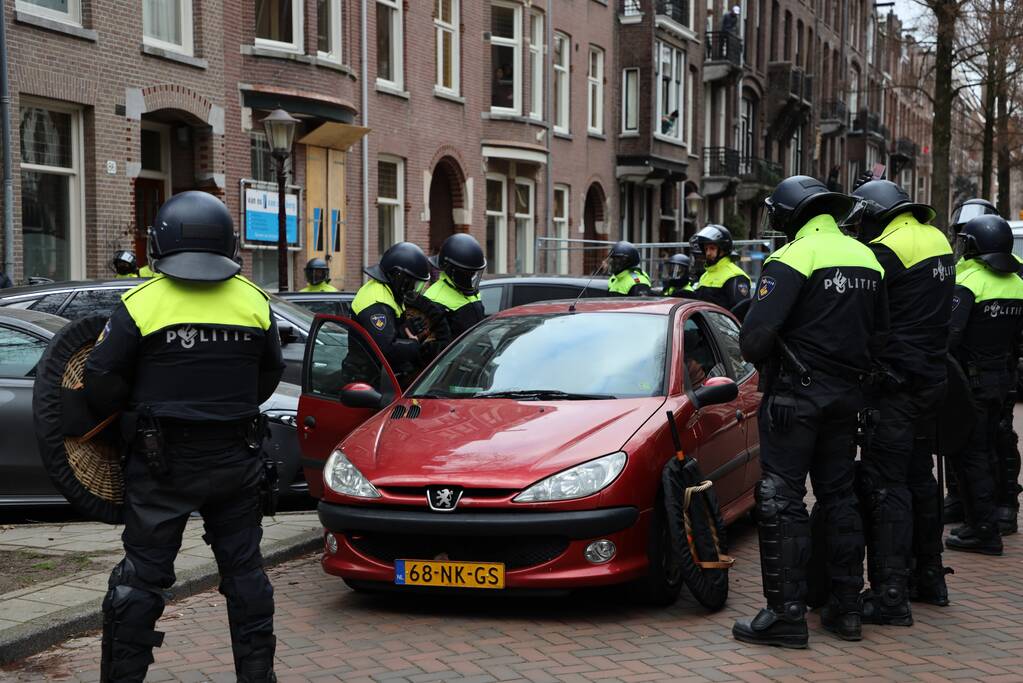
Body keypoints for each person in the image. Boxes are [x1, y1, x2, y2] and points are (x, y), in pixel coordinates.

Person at [83, 192, 284, 682]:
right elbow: (268, 377)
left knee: (140, 580)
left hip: (160, 466)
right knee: (246, 574)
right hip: (237, 462)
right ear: (229, 244)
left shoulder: (141, 303)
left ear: (159, 243)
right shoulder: (254, 302)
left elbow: (101, 381)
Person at [732, 175, 887, 647]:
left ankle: (786, 615)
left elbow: (754, 340)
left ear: (790, 215)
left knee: (781, 499)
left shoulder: (792, 257)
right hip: (846, 399)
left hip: (794, 402)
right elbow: (880, 335)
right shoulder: (867, 257)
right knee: (839, 498)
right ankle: (847, 608)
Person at [849, 180, 955, 623]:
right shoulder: (937, 239)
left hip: (895, 385)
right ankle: (929, 577)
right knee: (920, 478)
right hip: (931, 379)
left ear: (876, 214)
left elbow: (864, 314)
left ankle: (890, 595)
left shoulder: (885, 250)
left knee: (886, 485)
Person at [944, 214, 1023, 556]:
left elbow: (950, 337)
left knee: (970, 455)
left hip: (970, 385)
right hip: (1002, 382)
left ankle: (983, 529)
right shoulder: (1018, 283)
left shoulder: (969, 281)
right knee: (991, 449)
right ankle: (991, 518)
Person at [350, 242, 431, 378]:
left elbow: (384, 334)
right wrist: (414, 346)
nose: (413, 289)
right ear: (398, 276)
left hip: (378, 375)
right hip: (366, 378)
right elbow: (386, 350)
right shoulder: (377, 302)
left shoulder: (389, 292)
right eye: (412, 283)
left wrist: (404, 329)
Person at [425, 233, 486, 339]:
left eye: (474, 273)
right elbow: (430, 343)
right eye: (468, 273)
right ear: (452, 270)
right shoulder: (433, 299)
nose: (471, 276)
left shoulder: (471, 291)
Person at [688, 225, 752, 311]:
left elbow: (741, 312)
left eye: (712, 248)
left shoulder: (735, 276)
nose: (708, 253)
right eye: (706, 249)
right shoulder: (705, 276)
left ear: (723, 249)